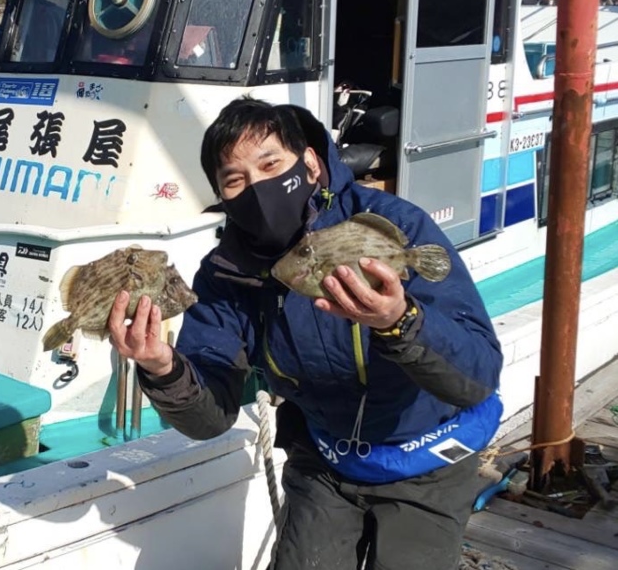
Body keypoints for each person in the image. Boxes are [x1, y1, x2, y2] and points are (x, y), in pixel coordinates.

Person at [107, 97, 503, 570]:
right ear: (220, 193)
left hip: (429, 460)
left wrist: (401, 320)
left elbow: (477, 375)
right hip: (326, 459)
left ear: (311, 163)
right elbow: (210, 418)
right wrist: (162, 368)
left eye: (271, 163)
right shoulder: (226, 275)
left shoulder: (393, 225)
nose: (258, 187)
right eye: (235, 179)